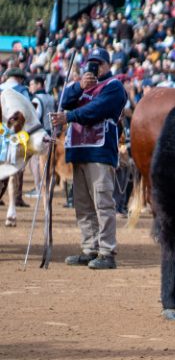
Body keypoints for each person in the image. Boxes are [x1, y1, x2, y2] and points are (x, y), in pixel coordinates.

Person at [51, 47, 128, 270]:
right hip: (79, 150)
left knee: (102, 203)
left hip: (100, 152)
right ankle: (89, 248)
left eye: (100, 63)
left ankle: (106, 251)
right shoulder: (80, 87)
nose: (95, 67)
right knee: (83, 205)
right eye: (91, 63)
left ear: (108, 65)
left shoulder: (114, 87)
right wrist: (77, 85)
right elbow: (63, 101)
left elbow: (97, 109)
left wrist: (69, 116)